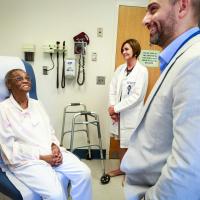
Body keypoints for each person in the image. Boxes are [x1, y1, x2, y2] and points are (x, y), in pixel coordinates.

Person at [120, 0, 200, 199]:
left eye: (153, 9)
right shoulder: (180, 60)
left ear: (182, 6)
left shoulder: (195, 62)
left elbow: (189, 169)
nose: (144, 19)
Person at [0, 69, 92, 200]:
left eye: (27, 77)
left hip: (50, 151)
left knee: (84, 174)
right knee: (56, 195)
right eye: (19, 79)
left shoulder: (37, 104)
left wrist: (55, 146)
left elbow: (50, 130)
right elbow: (9, 149)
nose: (25, 80)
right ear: (9, 85)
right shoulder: (3, 110)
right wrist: (42, 157)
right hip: (26, 161)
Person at [108, 39, 148, 177]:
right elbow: (112, 89)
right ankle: (122, 169)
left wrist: (116, 108)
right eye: (123, 49)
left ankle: (131, 173)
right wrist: (112, 108)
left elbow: (137, 96)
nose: (124, 52)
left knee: (131, 143)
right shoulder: (120, 69)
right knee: (121, 141)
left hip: (132, 114)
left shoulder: (142, 71)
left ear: (135, 51)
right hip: (119, 113)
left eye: (127, 49)